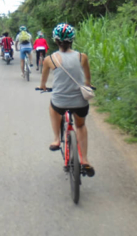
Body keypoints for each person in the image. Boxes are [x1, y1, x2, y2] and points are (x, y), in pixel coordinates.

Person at [39, 23, 95, 177]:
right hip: (80, 102)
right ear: (72, 40)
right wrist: (89, 85)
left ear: (55, 41)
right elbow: (87, 80)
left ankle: (57, 139)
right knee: (81, 125)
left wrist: (43, 87)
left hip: (60, 102)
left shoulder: (49, 59)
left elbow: (43, 82)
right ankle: (84, 160)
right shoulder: (82, 57)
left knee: (53, 108)